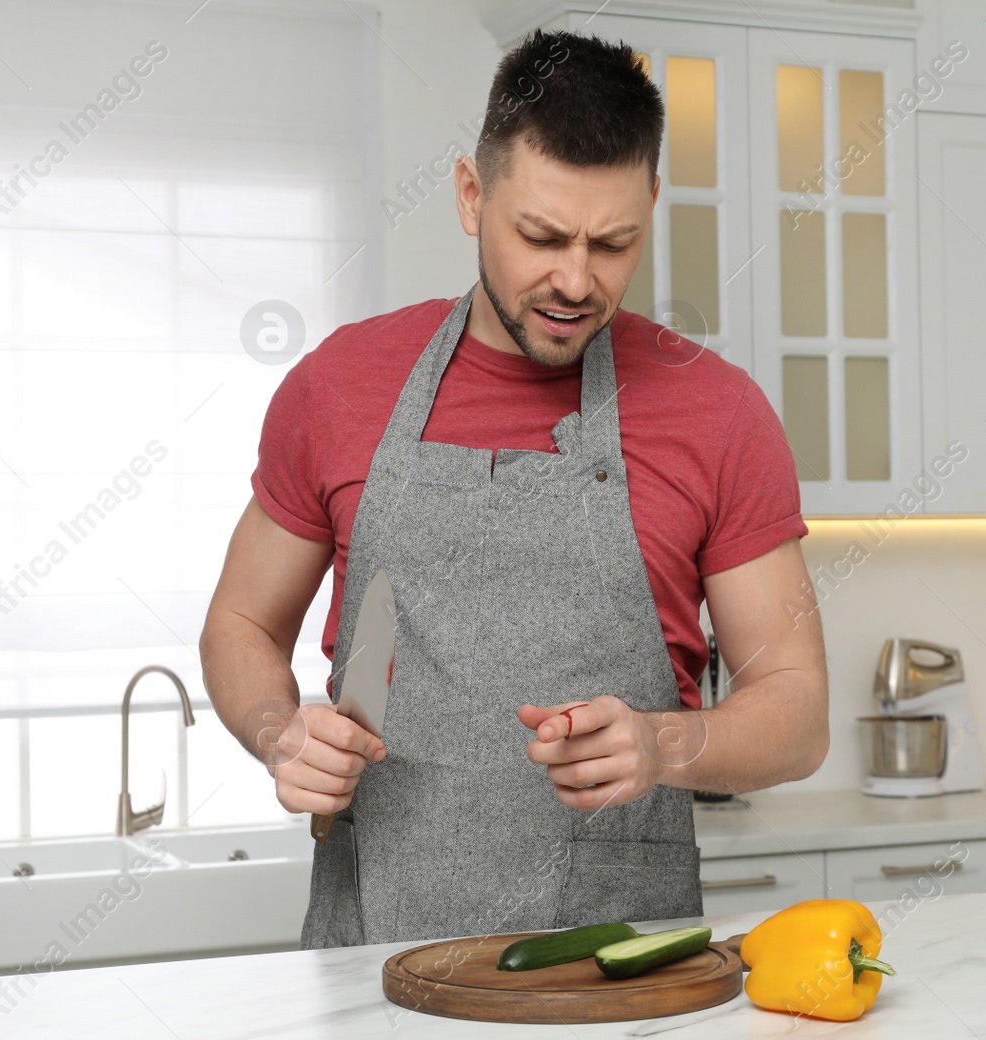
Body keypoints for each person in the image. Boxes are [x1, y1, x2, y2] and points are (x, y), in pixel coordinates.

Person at [200, 28, 828, 950]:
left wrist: (663, 744)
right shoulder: (339, 387)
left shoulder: (717, 413)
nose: (576, 280)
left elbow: (797, 708)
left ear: (652, 205)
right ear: (470, 195)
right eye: (540, 236)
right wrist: (277, 730)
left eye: (613, 243)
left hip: (620, 979)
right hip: (376, 960)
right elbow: (239, 625)